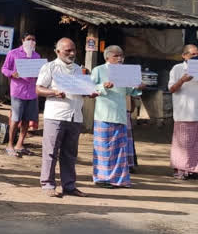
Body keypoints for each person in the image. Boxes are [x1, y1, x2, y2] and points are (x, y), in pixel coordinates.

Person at [36, 38, 97, 198]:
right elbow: (38, 89)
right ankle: (48, 184)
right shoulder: (50, 67)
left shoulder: (79, 70)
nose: (72, 53)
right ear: (57, 51)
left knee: (70, 153)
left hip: (75, 116)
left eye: (73, 50)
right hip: (56, 115)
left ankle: (69, 186)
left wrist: (90, 92)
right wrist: (54, 92)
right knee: (51, 152)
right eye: (67, 50)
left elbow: (83, 89)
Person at [90, 45, 143, 188]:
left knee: (119, 150)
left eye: (121, 56)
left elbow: (130, 90)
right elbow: (89, 88)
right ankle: (102, 178)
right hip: (104, 115)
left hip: (120, 114)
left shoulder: (124, 71)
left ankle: (118, 179)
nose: (120, 59)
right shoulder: (99, 70)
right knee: (104, 149)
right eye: (116, 56)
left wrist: (138, 86)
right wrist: (103, 86)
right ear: (107, 57)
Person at [1, 31, 41, 157]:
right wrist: (12, 73)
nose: (31, 42)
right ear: (22, 40)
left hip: (32, 92)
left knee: (26, 119)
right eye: (28, 39)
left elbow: (40, 72)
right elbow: (4, 69)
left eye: (33, 39)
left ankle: (19, 144)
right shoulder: (13, 53)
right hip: (18, 90)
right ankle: (10, 145)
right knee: (15, 118)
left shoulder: (37, 56)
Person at [168, 44, 198, 180]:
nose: (195, 56)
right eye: (192, 54)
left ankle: (194, 170)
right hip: (184, 112)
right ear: (184, 55)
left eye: (197, 54)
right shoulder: (177, 68)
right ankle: (181, 170)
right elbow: (171, 89)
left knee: (196, 143)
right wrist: (182, 80)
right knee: (183, 143)